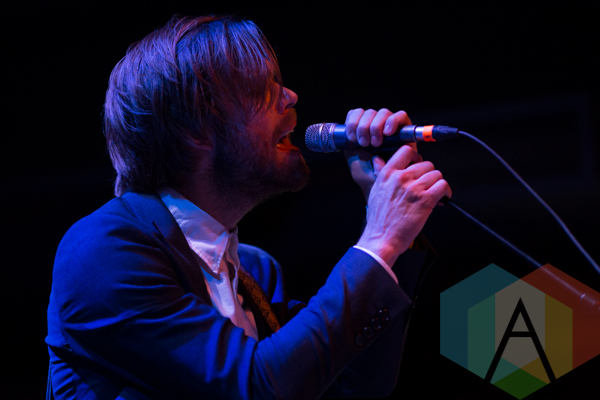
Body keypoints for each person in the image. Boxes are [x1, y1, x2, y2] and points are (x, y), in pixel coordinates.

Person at [46, 15, 451, 400]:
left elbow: (355, 383)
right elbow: (253, 388)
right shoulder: (104, 250)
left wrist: (393, 233)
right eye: (263, 86)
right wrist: (379, 240)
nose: (290, 97)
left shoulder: (255, 271)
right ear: (194, 129)